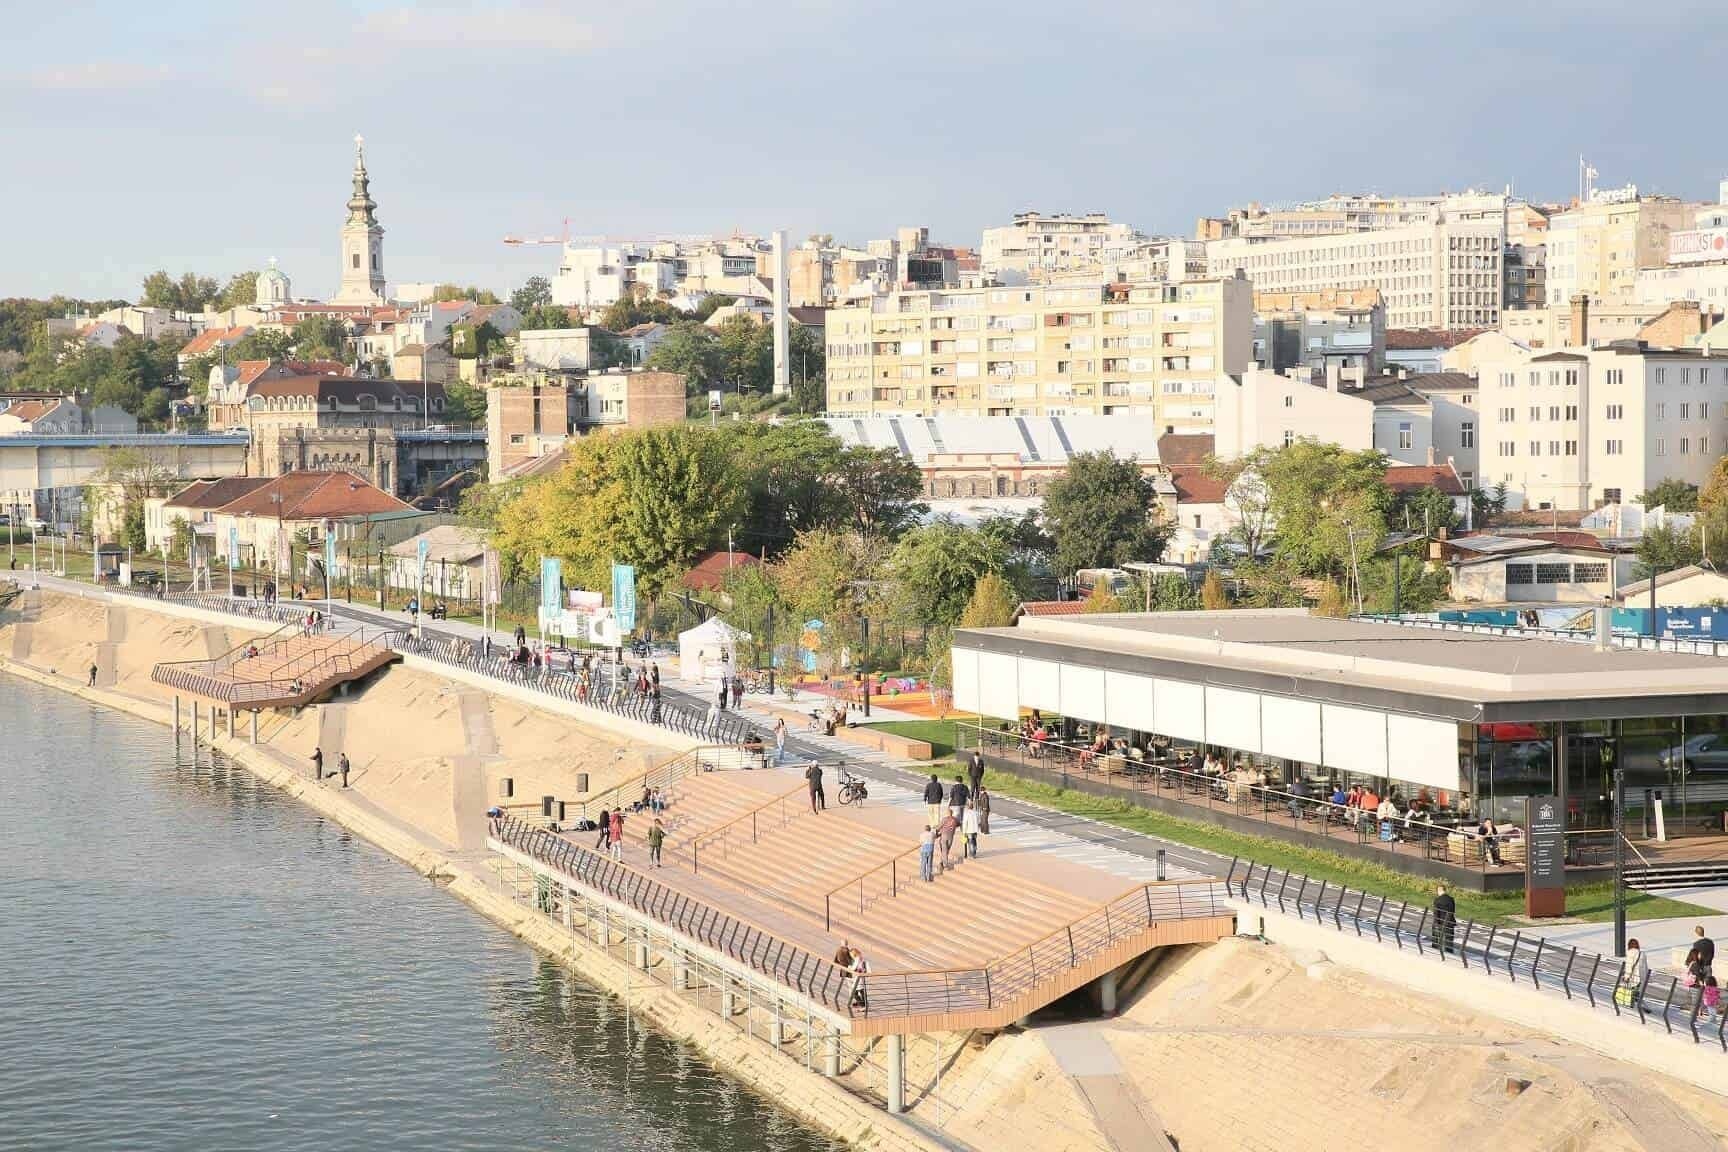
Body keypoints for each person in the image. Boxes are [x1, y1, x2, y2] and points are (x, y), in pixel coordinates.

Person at [1619, 938, 1647, 1008]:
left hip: (1633, 977)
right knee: (1636, 991)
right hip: (1641, 977)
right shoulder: (1642, 954)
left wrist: (1626, 977)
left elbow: (1629, 966)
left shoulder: (1630, 953)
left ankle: (1633, 1005)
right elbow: (1645, 966)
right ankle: (1641, 1004)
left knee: (1631, 991)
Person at [1430, 885, 1456, 955]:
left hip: (1440, 922)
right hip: (1449, 922)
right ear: (1445, 890)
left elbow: (1436, 913)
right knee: (1449, 939)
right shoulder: (1451, 899)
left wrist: (1436, 923)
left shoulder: (1437, 900)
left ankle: (1434, 950)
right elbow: (1452, 911)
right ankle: (1449, 953)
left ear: (1439, 891)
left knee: (1435, 937)